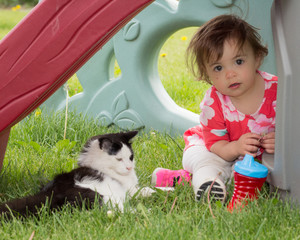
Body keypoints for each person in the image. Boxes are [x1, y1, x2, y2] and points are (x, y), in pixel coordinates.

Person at [151, 15, 277, 202]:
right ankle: (208, 185)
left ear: (257, 58)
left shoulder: (278, 90)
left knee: (250, 176)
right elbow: (216, 145)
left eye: (239, 62)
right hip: (214, 147)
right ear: (206, 73)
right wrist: (236, 146)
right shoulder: (214, 101)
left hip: (253, 159)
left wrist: (282, 142)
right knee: (208, 162)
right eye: (218, 68)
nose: (230, 74)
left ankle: (180, 178)